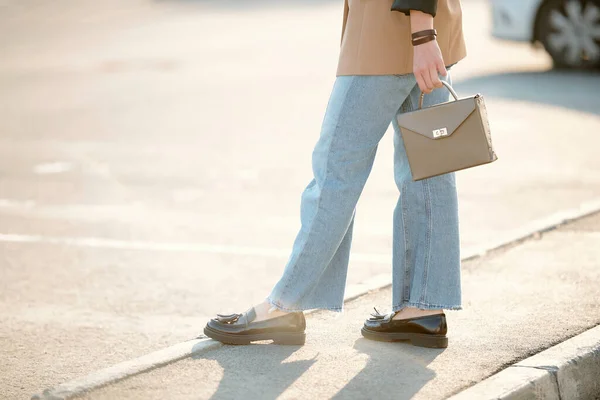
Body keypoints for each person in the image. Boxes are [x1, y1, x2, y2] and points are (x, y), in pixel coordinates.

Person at [204, 0, 466, 349]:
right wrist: (426, 32)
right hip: (428, 33)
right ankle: (420, 309)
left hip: (389, 33)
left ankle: (284, 304)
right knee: (428, 172)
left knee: (336, 172)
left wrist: (421, 32)